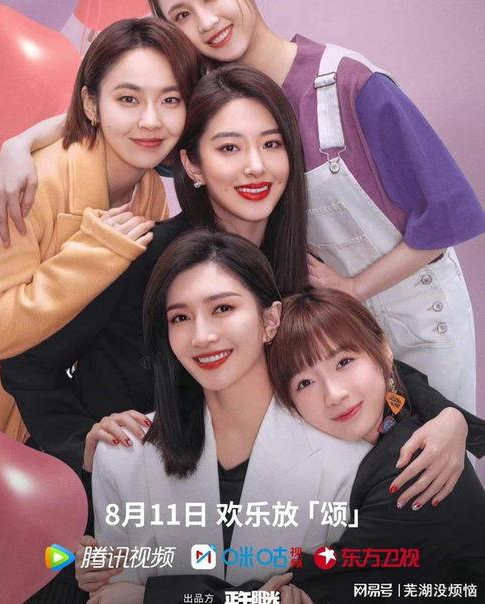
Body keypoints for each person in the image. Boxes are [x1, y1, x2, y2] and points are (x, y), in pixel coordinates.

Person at [0, 0, 483, 408]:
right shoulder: (208, 106)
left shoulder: (348, 84)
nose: (206, 22)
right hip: (318, 334)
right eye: (182, 15)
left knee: (438, 447)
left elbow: (448, 216)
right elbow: (128, 116)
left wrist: (354, 289)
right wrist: (21, 143)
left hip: (411, 315)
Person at [1, 67, 472, 507]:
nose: (255, 167)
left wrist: (447, 415)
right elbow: (27, 362)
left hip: (228, 503)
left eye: (271, 144)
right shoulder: (143, 255)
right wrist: (79, 442)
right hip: (112, 497)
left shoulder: (299, 267)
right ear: (192, 165)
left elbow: (349, 357)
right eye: (229, 148)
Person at [75, 232, 485, 604]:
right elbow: (106, 585)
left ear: (270, 320)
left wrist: (451, 417)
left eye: (222, 308)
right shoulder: (124, 454)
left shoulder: (369, 464)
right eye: (180, 318)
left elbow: (323, 589)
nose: (202, 336)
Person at [0, 16, 202, 442]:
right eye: (128, 99)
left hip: (53, 421)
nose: (151, 120)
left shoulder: (148, 192)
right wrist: (95, 255)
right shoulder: (34, 185)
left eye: (171, 100)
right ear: (90, 104)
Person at [267, 288, 485, 600]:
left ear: (383, 349)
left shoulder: (415, 467)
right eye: (305, 383)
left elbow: (317, 583)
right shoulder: (396, 417)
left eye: (344, 362)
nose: (334, 394)